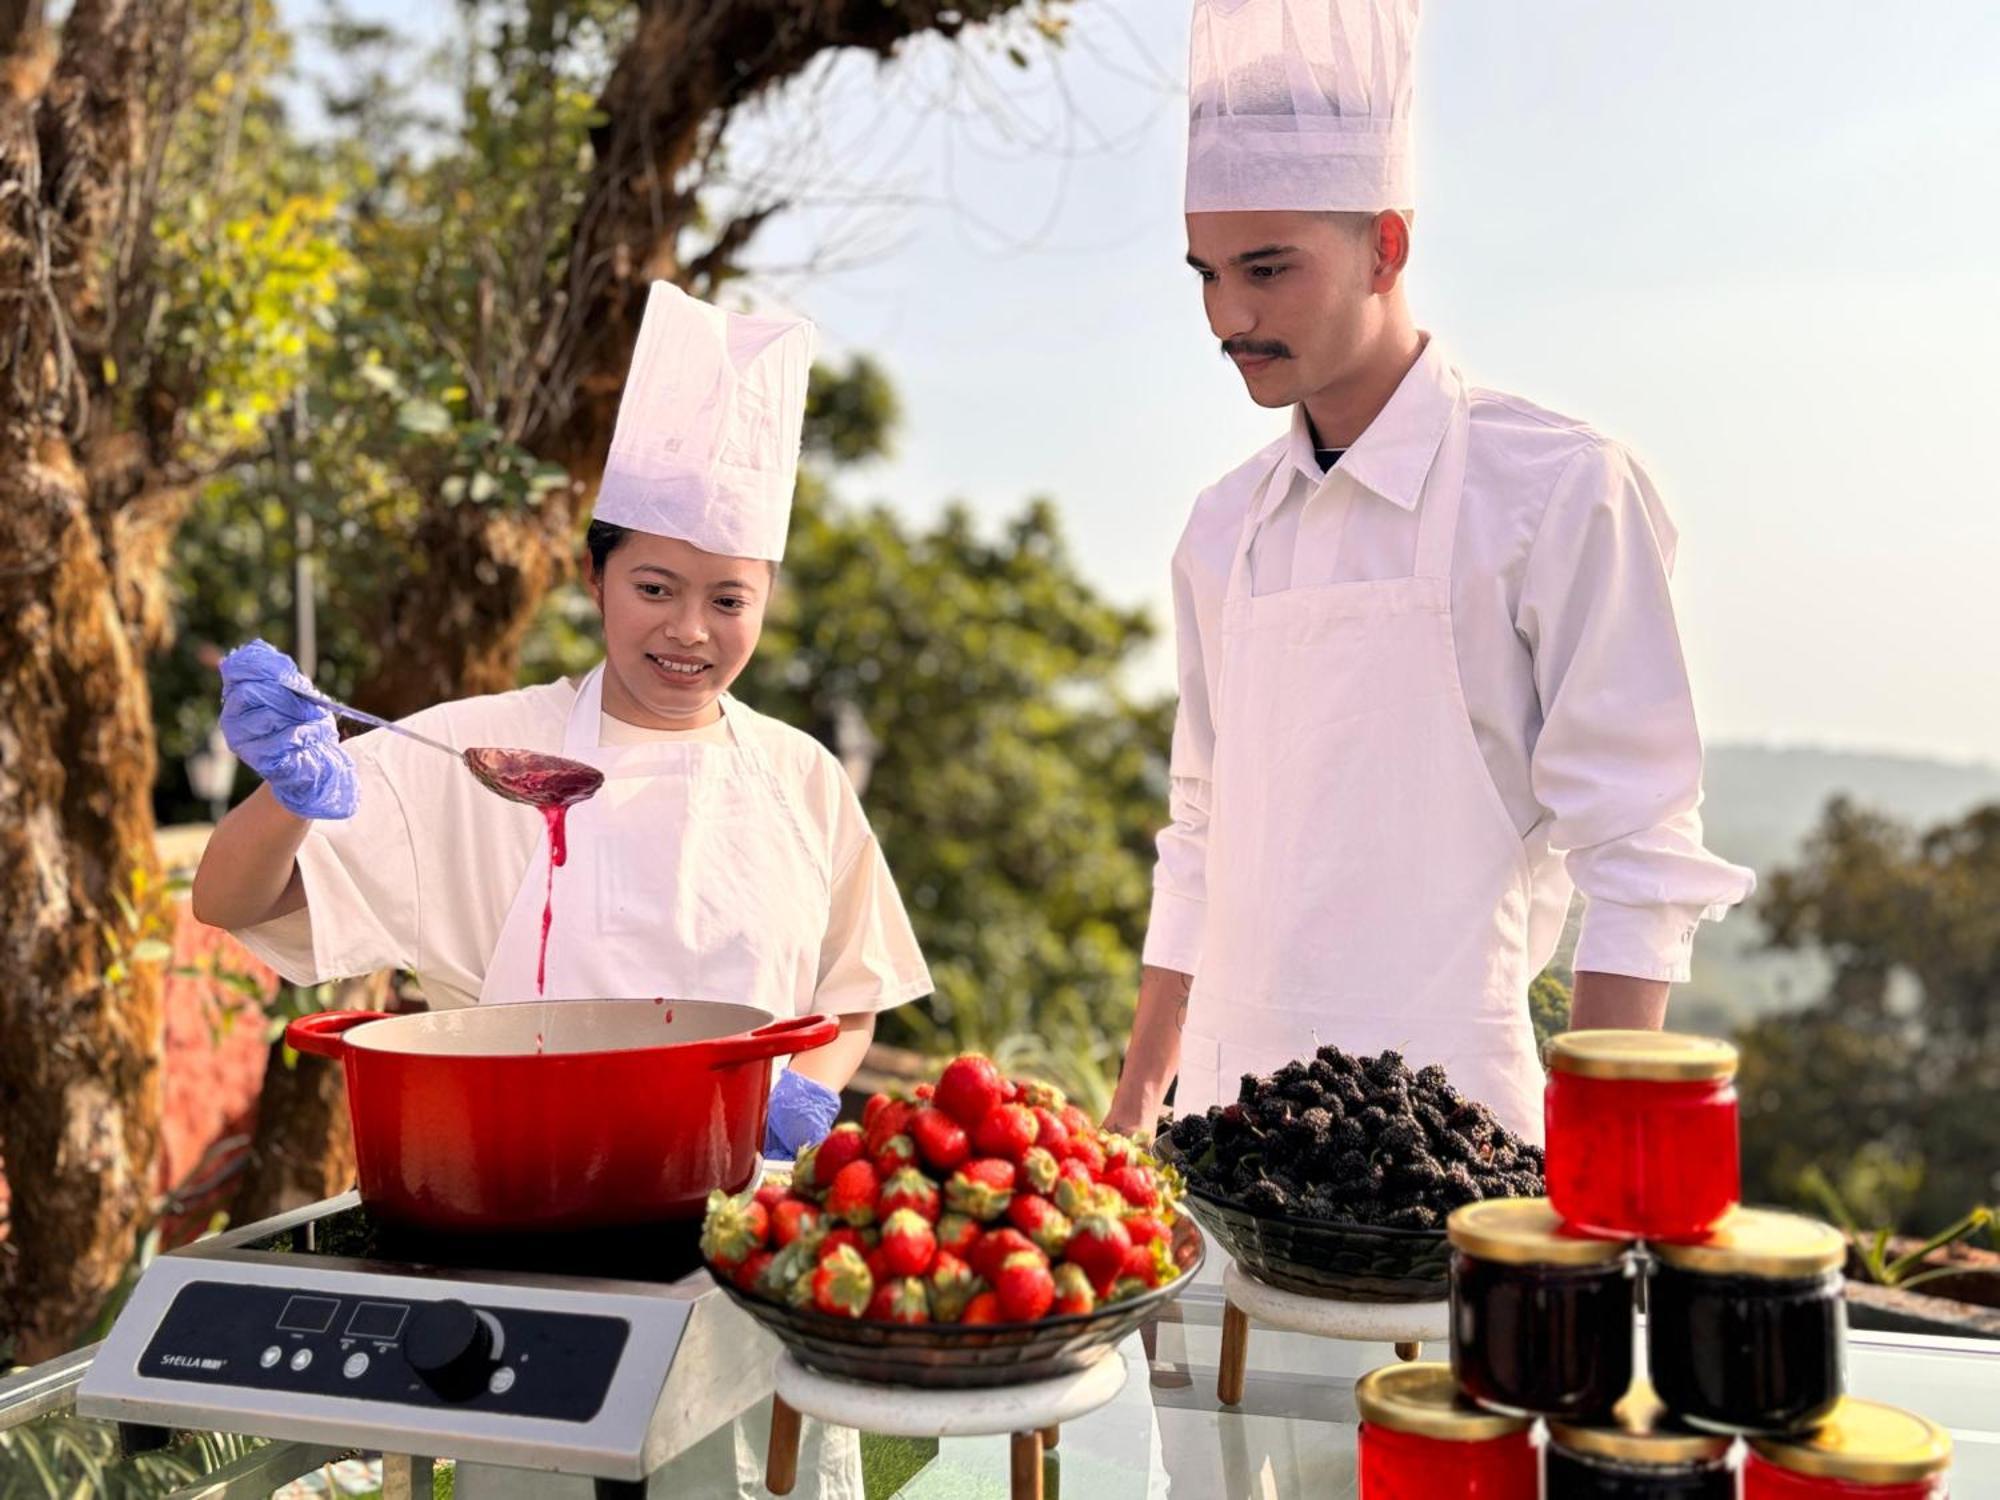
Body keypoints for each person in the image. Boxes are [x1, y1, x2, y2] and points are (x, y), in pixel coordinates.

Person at [1104, 0, 1755, 1144]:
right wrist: (1136, 1100)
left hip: (1450, 1143)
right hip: (1217, 1135)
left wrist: (1599, 1167)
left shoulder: (1557, 490)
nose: (1229, 315)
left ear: (1386, 246)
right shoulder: (1219, 529)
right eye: (1206, 273)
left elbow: (1640, 855)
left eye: (1267, 269)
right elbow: (1198, 826)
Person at [194, 281, 933, 1166]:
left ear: (767, 600)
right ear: (595, 578)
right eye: (653, 588)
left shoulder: (800, 776)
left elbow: (854, 988)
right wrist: (290, 790)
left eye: (728, 599)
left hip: (743, 1208)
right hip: (517, 1189)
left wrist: (809, 1082)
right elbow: (227, 900)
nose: (689, 630)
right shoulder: (479, 750)